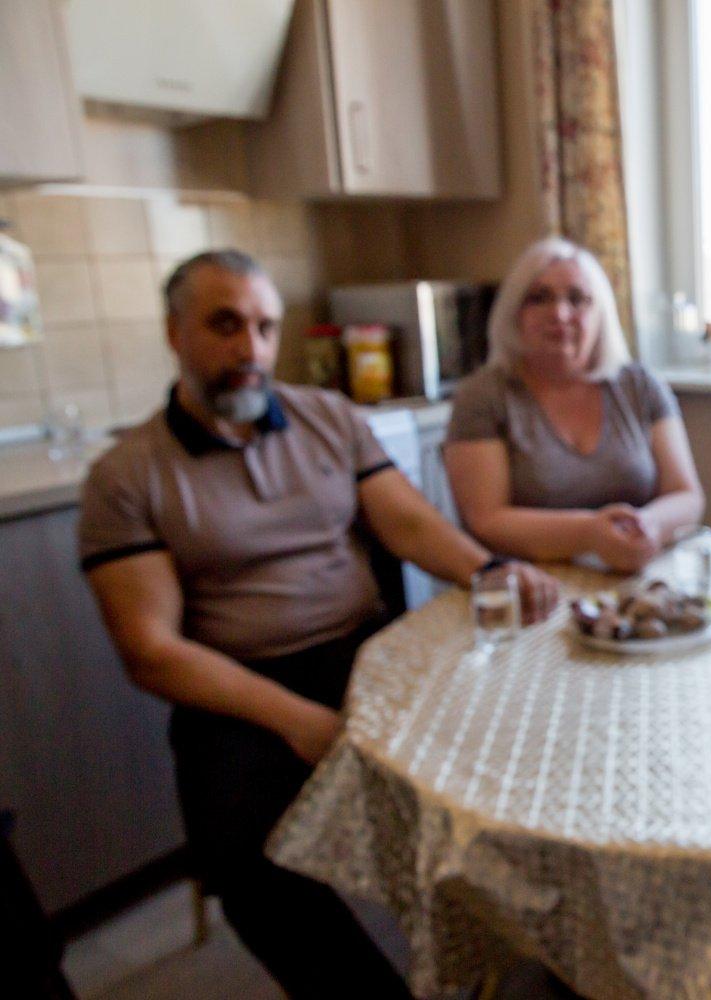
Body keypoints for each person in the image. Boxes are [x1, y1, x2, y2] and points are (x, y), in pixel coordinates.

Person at [78, 250, 560, 997]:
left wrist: (490, 570)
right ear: (174, 332)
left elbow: (406, 522)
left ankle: (538, 953)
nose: (250, 348)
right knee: (252, 868)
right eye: (225, 325)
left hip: (368, 651)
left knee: (515, 756)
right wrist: (296, 718)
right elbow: (151, 650)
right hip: (237, 691)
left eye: (265, 328)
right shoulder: (126, 475)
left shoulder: (329, 418)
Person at [445, 237, 705, 573]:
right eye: (539, 298)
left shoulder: (641, 385)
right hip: (529, 585)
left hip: (638, 578)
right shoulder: (481, 396)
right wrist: (590, 534)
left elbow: (687, 495)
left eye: (577, 298)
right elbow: (485, 519)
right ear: (514, 312)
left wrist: (647, 526)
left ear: (601, 314)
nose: (559, 313)